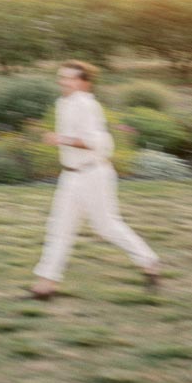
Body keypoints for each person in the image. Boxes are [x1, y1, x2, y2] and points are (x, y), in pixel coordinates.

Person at [30, 60, 161, 299]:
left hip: (93, 174)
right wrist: (62, 140)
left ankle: (149, 262)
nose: (62, 81)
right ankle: (44, 287)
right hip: (70, 174)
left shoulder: (88, 106)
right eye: (61, 77)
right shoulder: (63, 103)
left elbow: (92, 142)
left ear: (83, 82)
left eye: (68, 77)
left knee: (106, 226)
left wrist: (60, 139)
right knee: (58, 228)